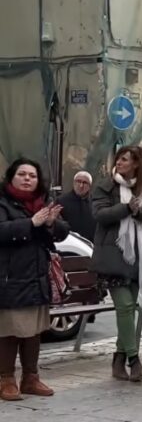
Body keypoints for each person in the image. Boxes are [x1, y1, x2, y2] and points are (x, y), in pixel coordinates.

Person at [92, 146, 142, 382]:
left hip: (139, 258)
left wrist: (139, 213)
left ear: (137, 165)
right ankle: (134, 359)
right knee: (124, 307)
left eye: (125, 160)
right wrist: (125, 208)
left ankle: (119, 359)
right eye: (119, 158)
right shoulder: (107, 185)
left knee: (130, 308)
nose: (119, 162)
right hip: (113, 256)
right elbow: (100, 215)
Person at [0, 158, 68, 401]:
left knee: (34, 331)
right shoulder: (4, 202)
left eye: (32, 175)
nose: (28, 178)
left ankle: (31, 378)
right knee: (10, 330)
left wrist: (50, 224)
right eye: (22, 174)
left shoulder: (42, 203)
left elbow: (64, 231)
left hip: (38, 277)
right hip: (10, 278)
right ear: (12, 177)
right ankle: (6, 379)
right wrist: (30, 223)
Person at [57, 171, 95, 242]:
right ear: (74, 183)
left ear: (90, 186)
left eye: (85, 183)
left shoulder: (95, 202)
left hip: (91, 245)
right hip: (70, 244)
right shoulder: (61, 201)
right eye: (78, 181)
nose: (81, 185)